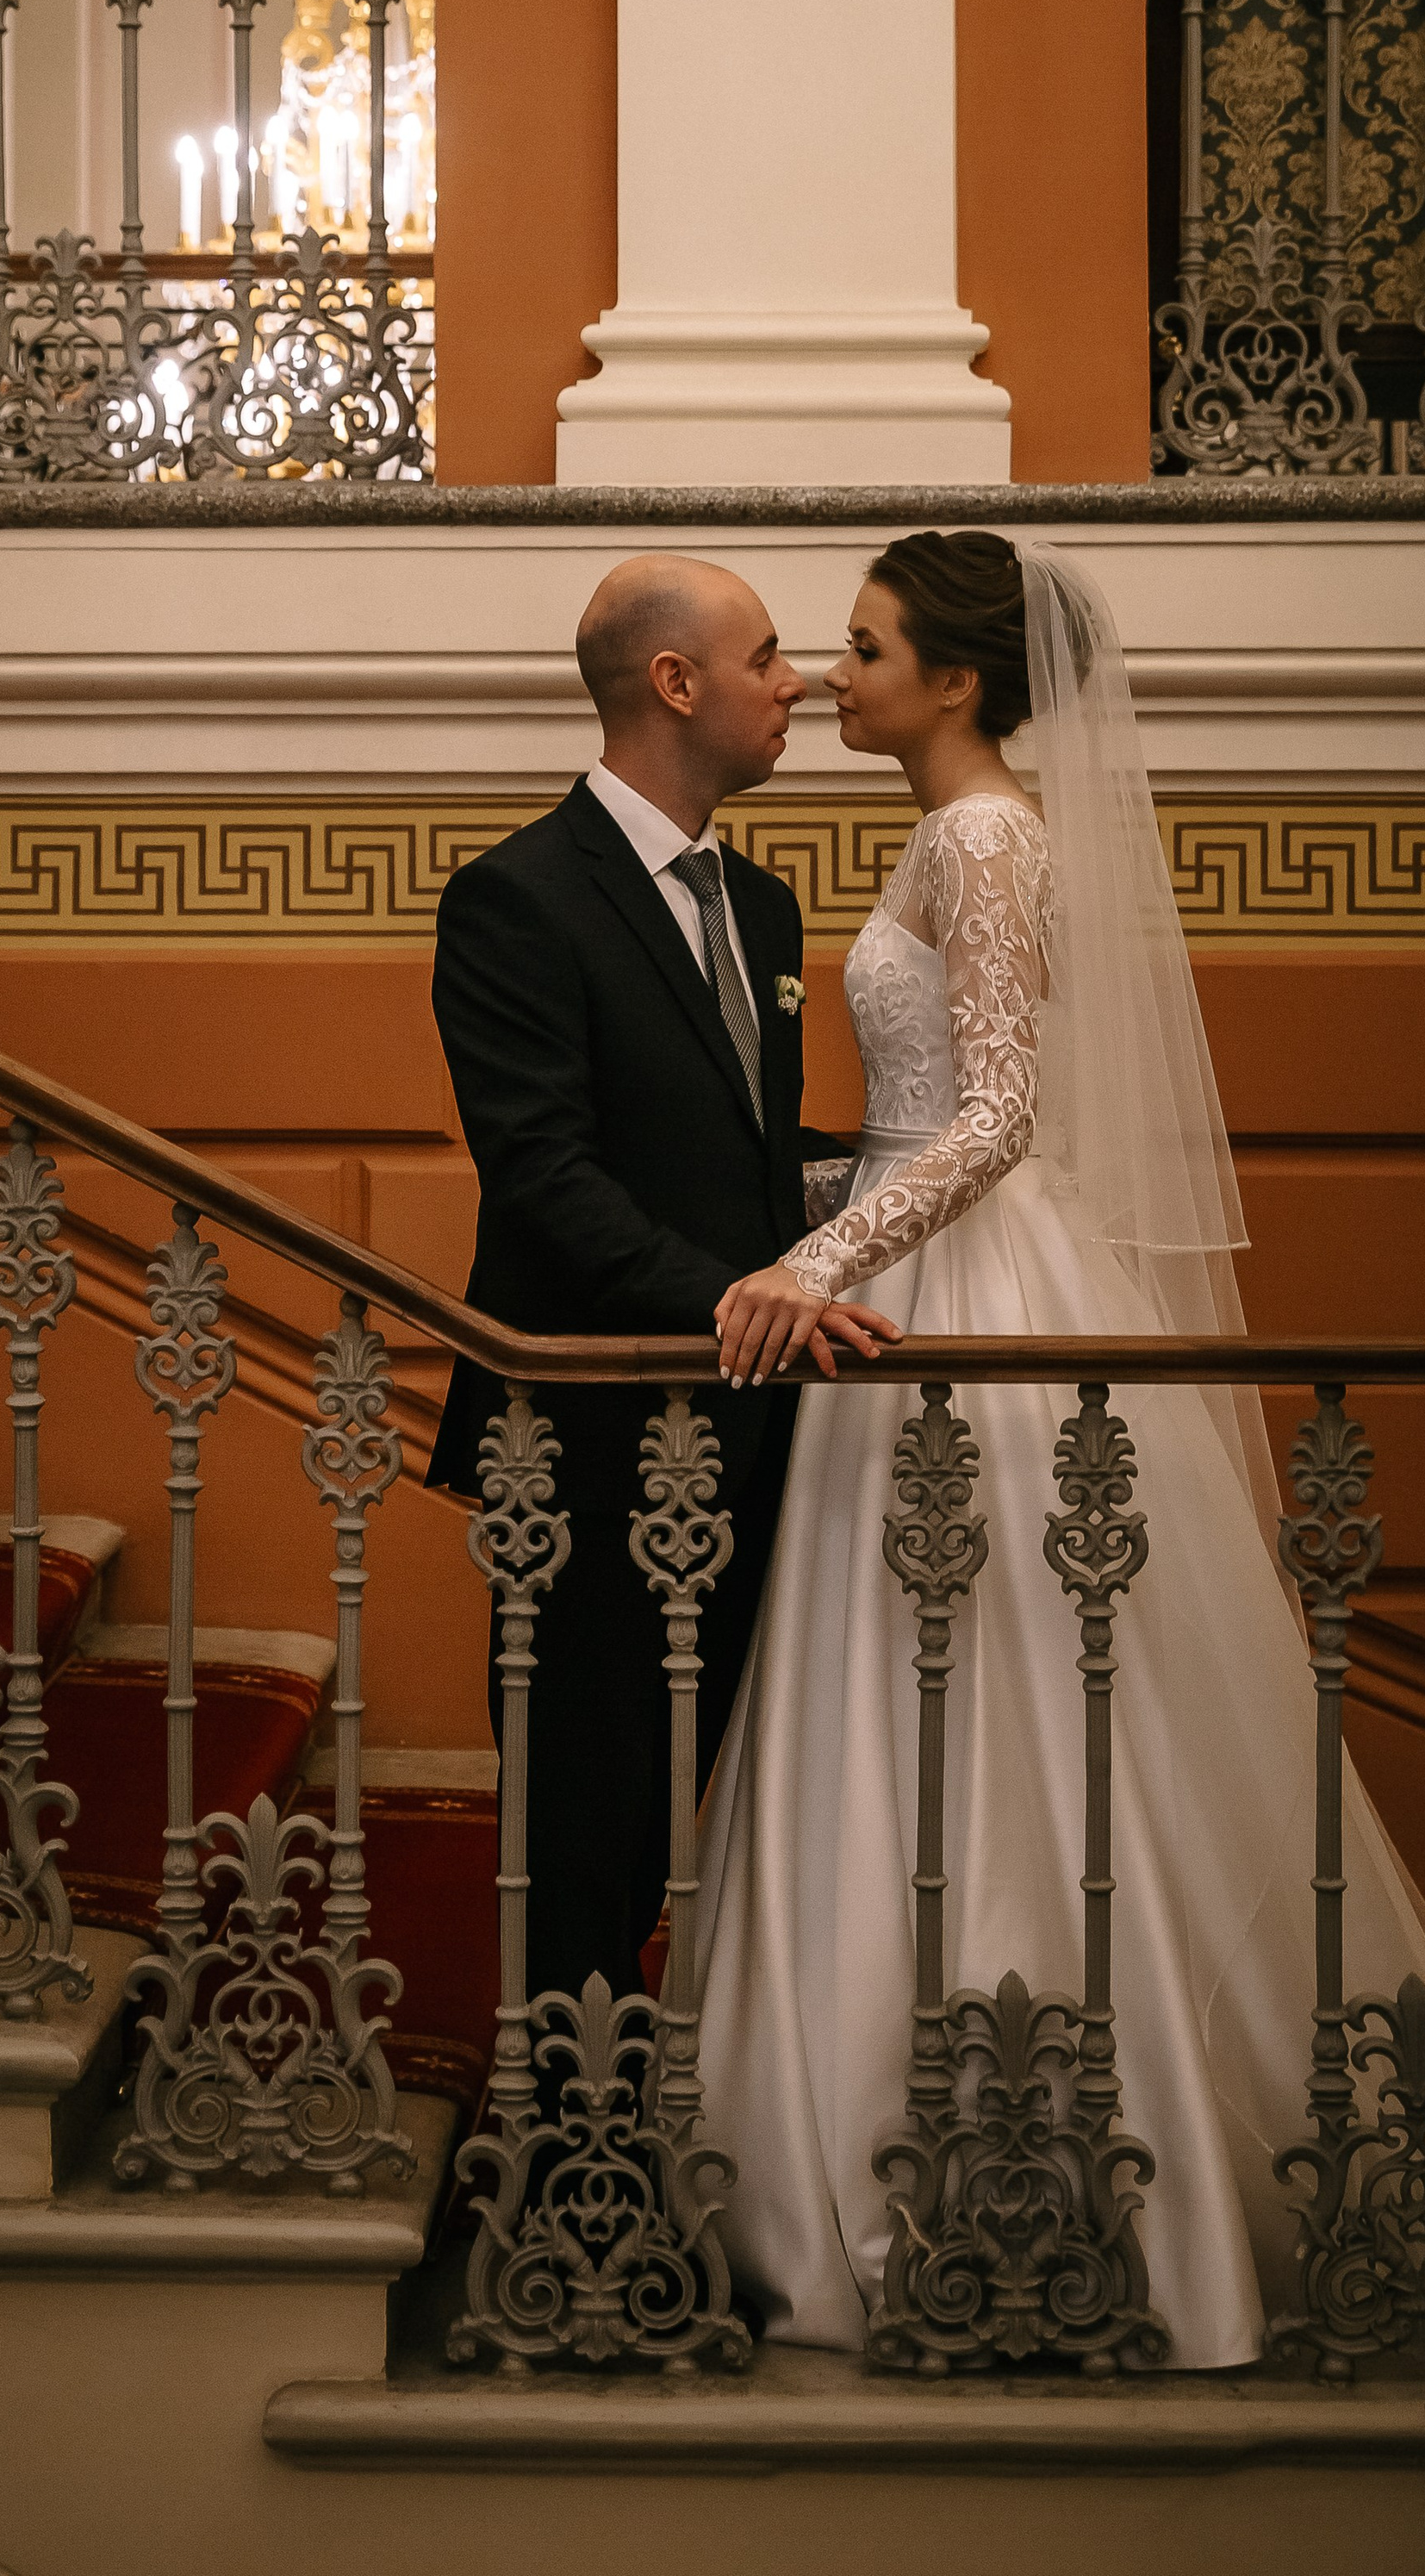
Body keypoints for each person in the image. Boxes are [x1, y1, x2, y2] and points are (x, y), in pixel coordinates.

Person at [697, 527, 1425, 2363]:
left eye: (864, 643)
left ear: (957, 681)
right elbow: (930, 1126)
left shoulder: (981, 833)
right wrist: (817, 1207)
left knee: (998, 1708)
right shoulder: (953, 825)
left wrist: (810, 1252)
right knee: (947, 1699)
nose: (831, 673)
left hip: (957, 1295)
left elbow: (988, 1117)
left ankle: (1013, 2155)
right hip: (928, 1272)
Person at [427, 555, 889, 2005]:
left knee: (691, 1814)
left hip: (744, 1437)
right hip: (581, 1442)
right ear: (673, 684)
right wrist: (748, 1301)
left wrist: (916, 1179)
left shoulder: (762, 907)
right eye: (764, 658)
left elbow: (743, 1158)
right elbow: (547, 1180)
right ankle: (564, 2181)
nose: (798, 681)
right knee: (581, 1827)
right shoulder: (515, 898)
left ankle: (642, 2114)